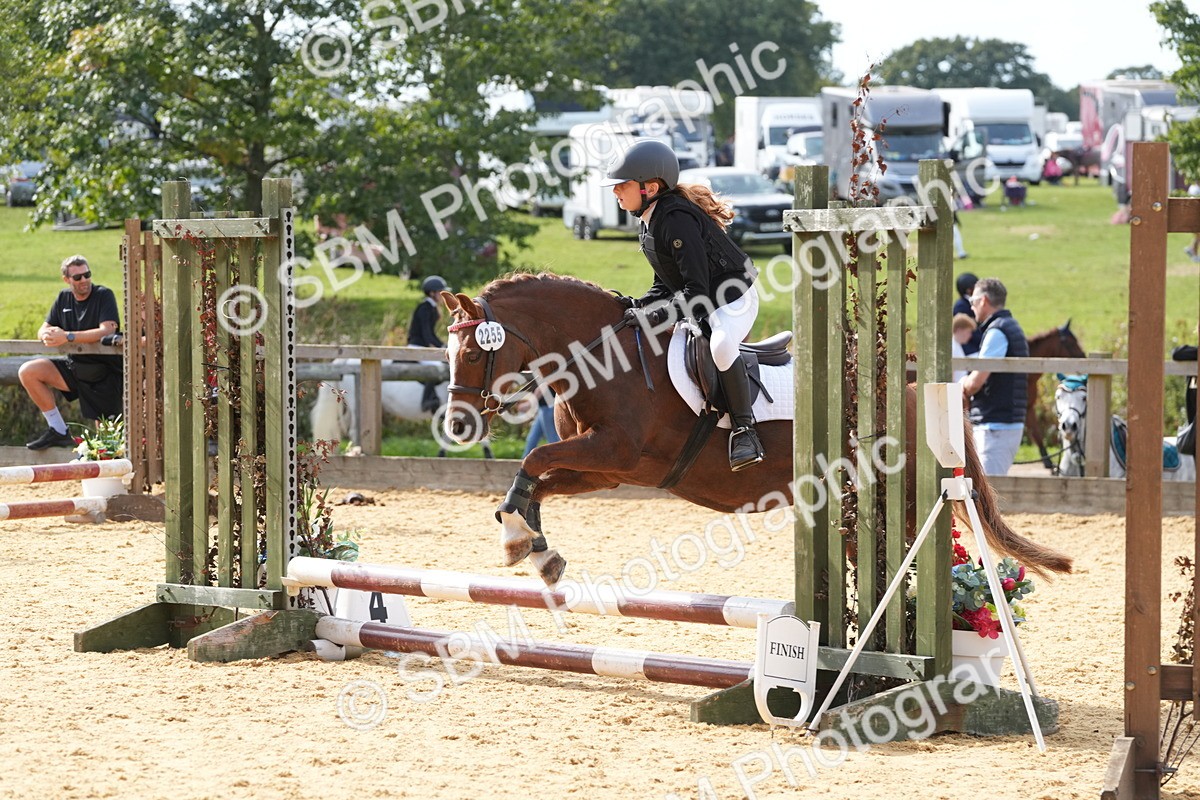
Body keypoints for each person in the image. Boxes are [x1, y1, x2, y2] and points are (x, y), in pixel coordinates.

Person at [601, 138, 764, 471]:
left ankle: (745, 431)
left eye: (623, 184)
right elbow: (666, 284)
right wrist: (636, 305)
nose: (615, 191)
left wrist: (656, 316)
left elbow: (696, 291)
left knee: (721, 345)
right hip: (703, 301)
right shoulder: (649, 219)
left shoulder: (676, 219)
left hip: (733, 299)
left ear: (650, 187)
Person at [19, 254, 123, 450]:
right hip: (75, 367)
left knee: (109, 444)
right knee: (28, 371)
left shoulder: (104, 294)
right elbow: (43, 329)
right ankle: (58, 430)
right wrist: (47, 336)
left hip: (105, 372)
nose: (84, 280)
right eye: (77, 277)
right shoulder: (63, 297)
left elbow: (107, 330)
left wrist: (67, 336)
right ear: (66, 279)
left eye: (87, 275)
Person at [959, 278, 1028, 476]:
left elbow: (976, 382)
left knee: (990, 486)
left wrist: (963, 383)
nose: (971, 306)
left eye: (973, 301)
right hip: (1003, 422)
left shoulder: (997, 332)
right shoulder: (1009, 326)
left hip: (995, 425)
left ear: (984, 301)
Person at [409, 275, 449, 414]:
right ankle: (426, 400)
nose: (443, 296)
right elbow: (427, 335)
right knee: (436, 367)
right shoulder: (425, 308)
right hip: (416, 346)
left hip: (422, 346)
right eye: (440, 292)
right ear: (432, 293)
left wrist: (443, 345)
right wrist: (442, 346)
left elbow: (430, 334)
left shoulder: (431, 308)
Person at [521, 385, 560, 457]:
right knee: (532, 439)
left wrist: (529, 404)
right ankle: (524, 462)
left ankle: (559, 461)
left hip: (549, 408)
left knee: (553, 441)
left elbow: (543, 386)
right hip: (542, 409)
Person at [952, 272, 982, 355]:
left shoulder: (970, 302)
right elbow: (968, 329)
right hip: (969, 348)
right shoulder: (961, 306)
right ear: (969, 290)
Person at [951, 313, 977, 383]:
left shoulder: (957, 345)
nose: (970, 335)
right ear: (959, 330)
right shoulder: (952, 348)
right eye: (968, 332)